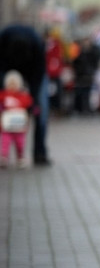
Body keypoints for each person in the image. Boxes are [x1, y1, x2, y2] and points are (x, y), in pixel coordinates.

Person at [0, 23, 51, 166]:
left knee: (41, 110)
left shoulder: (36, 44)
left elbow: (38, 76)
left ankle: (40, 153)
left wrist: (31, 102)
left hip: (33, 70)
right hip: (6, 68)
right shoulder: (3, 39)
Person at [0, 70, 33, 168]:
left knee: (20, 143)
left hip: (19, 126)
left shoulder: (23, 97)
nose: (12, 86)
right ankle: (4, 157)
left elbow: (30, 106)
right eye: (10, 84)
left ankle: (20, 157)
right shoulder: (4, 95)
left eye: (14, 84)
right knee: (5, 142)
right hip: (7, 126)